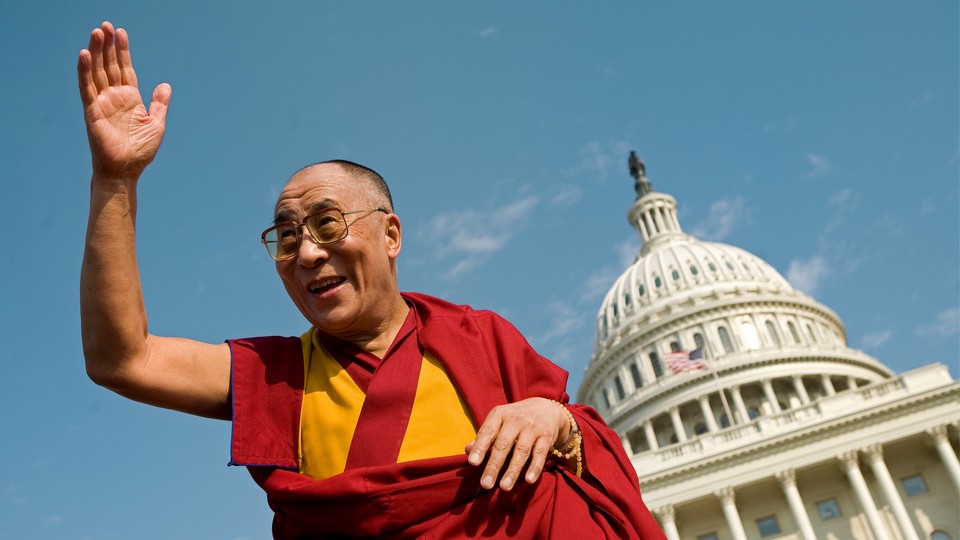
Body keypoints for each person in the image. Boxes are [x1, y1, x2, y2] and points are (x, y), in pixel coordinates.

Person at [77, 21, 666, 539]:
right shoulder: (278, 377)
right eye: (286, 238)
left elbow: (589, 465)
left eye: (328, 224)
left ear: (390, 235)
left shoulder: (480, 340)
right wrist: (115, 179)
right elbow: (121, 359)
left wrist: (555, 420)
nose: (307, 252)